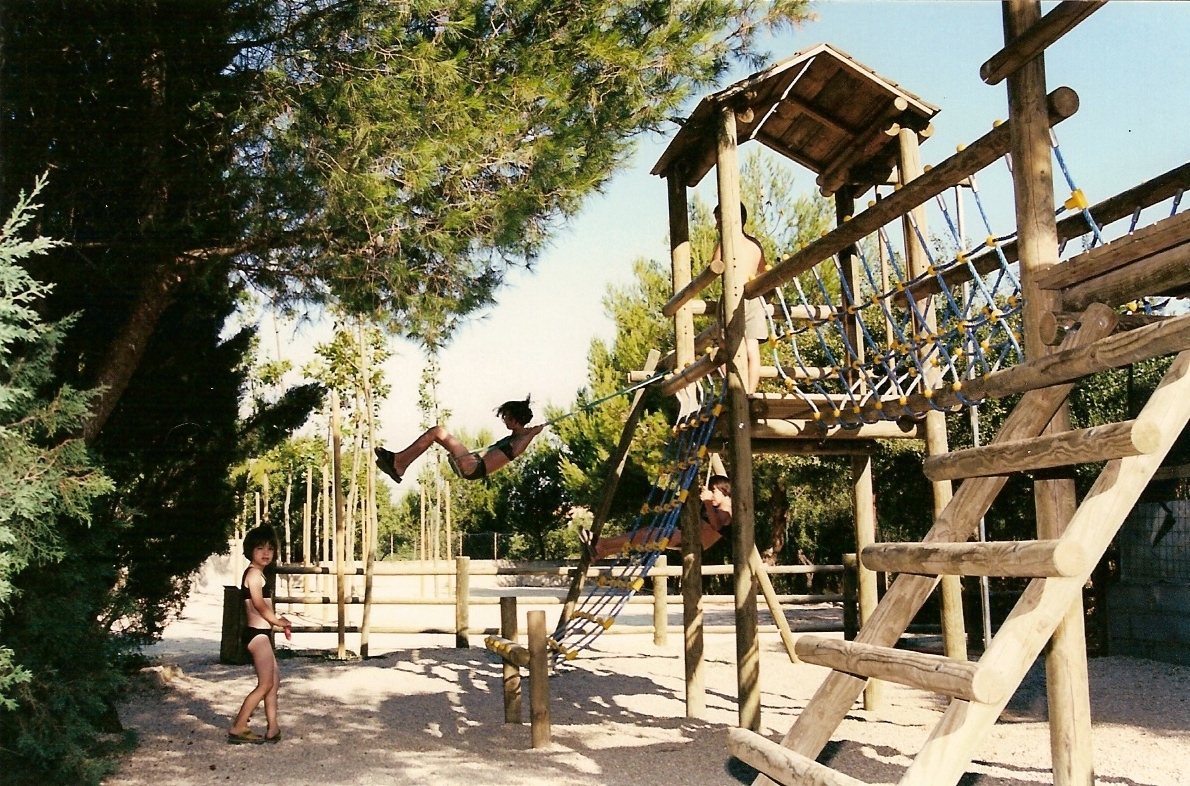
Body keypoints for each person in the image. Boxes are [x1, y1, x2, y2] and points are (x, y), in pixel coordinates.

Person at [374, 397, 545, 483]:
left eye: (506, 416)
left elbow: (517, 449)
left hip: (475, 467)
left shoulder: (522, 439)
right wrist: (529, 431)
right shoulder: (516, 436)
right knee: (436, 433)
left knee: (438, 432)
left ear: (515, 419)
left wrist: (532, 433)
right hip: (474, 463)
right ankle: (400, 463)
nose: (504, 419)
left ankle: (400, 463)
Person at [228, 525, 291, 745]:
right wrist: (278, 621)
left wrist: (274, 623)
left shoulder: (259, 574)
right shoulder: (254, 574)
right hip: (257, 635)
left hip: (262, 633)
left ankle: (273, 727)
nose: (266, 553)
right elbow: (258, 605)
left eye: (270, 549)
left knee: (273, 682)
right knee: (265, 684)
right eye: (260, 548)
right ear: (250, 550)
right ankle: (238, 726)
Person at [581, 475, 732, 561]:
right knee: (647, 536)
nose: (711, 496)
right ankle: (603, 551)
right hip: (689, 536)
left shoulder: (727, 510)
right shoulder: (718, 507)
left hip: (695, 541)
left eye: (714, 492)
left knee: (650, 534)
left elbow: (717, 526)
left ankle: (602, 543)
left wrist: (706, 502)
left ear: (723, 490)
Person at [713, 203, 769, 394]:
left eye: (718, 221)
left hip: (731, 297)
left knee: (727, 346)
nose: (716, 226)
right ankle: (749, 392)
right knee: (751, 348)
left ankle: (732, 391)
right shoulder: (755, 244)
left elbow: (714, 267)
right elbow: (763, 271)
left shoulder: (725, 244)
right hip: (753, 294)